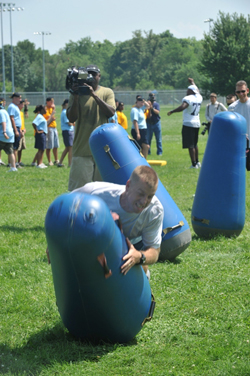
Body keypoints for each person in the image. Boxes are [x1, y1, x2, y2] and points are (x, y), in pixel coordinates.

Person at [72, 165, 164, 279]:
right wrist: (56, 241)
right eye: (140, 193)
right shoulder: (94, 192)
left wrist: (139, 256)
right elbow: (63, 208)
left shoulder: (154, 210)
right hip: (92, 241)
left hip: (132, 245)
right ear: (128, 186)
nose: (144, 201)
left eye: (150, 196)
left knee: (140, 265)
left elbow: (154, 251)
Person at [67, 64, 116, 191]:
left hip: (103, 150)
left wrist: (93, 95)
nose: (91, 77)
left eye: (94, 74)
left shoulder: (107, 92)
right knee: (78, 190)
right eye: (87, 73)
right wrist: (76, 95)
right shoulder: (75, 93)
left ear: (99, 76)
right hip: (82, 148)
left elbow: (111, 112)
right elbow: (71, 118)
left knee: (103, 190)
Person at [167, 78, 203, 169]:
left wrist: (172, 111)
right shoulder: (199, 97)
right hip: (197, 123)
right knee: (195, 144)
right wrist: (192, 82)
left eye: (188, 89)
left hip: (188, 123)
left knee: (190, 145)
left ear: (191, 91)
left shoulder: (188, 98)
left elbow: (183, 107)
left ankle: (194, 164)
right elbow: (197, 90)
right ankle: (198, 162)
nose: (186, 91)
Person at [0, 97, 17, 172]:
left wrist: (4, 132)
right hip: (10, 135)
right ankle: (13, 167)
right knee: (10, 152)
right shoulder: (4, 111)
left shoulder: (1, 112)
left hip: (4, 134)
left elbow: (3, 122)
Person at [57, 99, 74, 168]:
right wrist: (74, 123)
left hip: (67, 131)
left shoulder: (64, 112)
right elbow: (69, 123)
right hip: (68, 131)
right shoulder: (65, 112)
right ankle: (70, 164)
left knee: (67, 148)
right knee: (70, 148)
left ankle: (60, 162)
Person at [7, 92, 22, 168]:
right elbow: (12, 118)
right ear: (15, 98)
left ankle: (12, 163)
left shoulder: (16, 106)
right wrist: (16, 130)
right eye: (19, 98)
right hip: (14, 128)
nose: (20, 99)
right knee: (14, 147)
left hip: (18, 128)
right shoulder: (12, 106)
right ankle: (13, 163)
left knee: (15, 147)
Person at [44, 97, 59, 166]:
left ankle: (56, 160)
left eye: (53, 101)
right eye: (51, 101)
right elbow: (48, 119)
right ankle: (50, 161)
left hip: (54, 128)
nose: (52, 103)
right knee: (49, 146)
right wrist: (53, 112)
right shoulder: (45, 109)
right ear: (47, 102)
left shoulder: (51, 108)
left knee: (56, 145)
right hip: (49, 128)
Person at [17, 100, 26, 166]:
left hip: (22, 131)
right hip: (19, 131)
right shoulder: (17, 112)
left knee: (21, 148)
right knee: (17, 147)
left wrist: (24, 129)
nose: (23, 106)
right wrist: (20, 130)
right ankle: (15, 161)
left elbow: (22, 122)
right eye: (21, 104)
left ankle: (19, 161)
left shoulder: (21, 113)